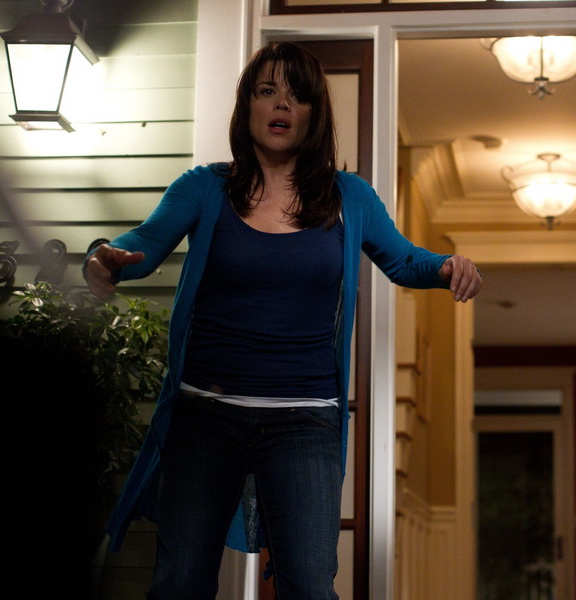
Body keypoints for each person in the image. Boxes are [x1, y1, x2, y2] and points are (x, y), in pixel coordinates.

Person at [83, 41, 482, 599]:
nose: (281, 105)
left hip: (305, 420)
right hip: (205, 415)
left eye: (297, 96)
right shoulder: (204, 187)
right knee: (179, 581)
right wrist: (104, 256)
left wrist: (447, 266)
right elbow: (142, 244)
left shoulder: (349, 197)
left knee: (310, 585)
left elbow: (403, 259)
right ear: (247, 105)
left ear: (314, 115)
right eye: (267, 91)